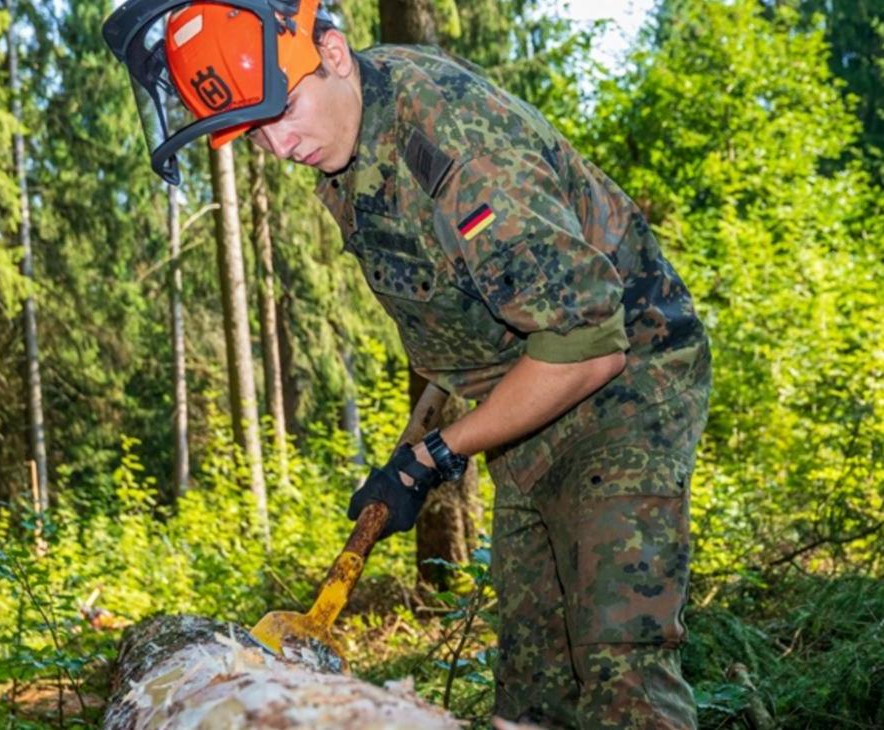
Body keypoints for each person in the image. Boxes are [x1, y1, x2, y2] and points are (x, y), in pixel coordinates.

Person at [104, 2, 711, 727]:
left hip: (623, 386)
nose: (278, 144)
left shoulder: (453, 147)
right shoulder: (346, 146)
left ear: (331, 53)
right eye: (253, 131)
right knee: (533, 677)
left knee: (620, 663)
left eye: (283, 111)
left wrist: (433, 458)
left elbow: (588, 343)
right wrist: (414, 445)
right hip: (529, 402)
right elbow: (454, 312)